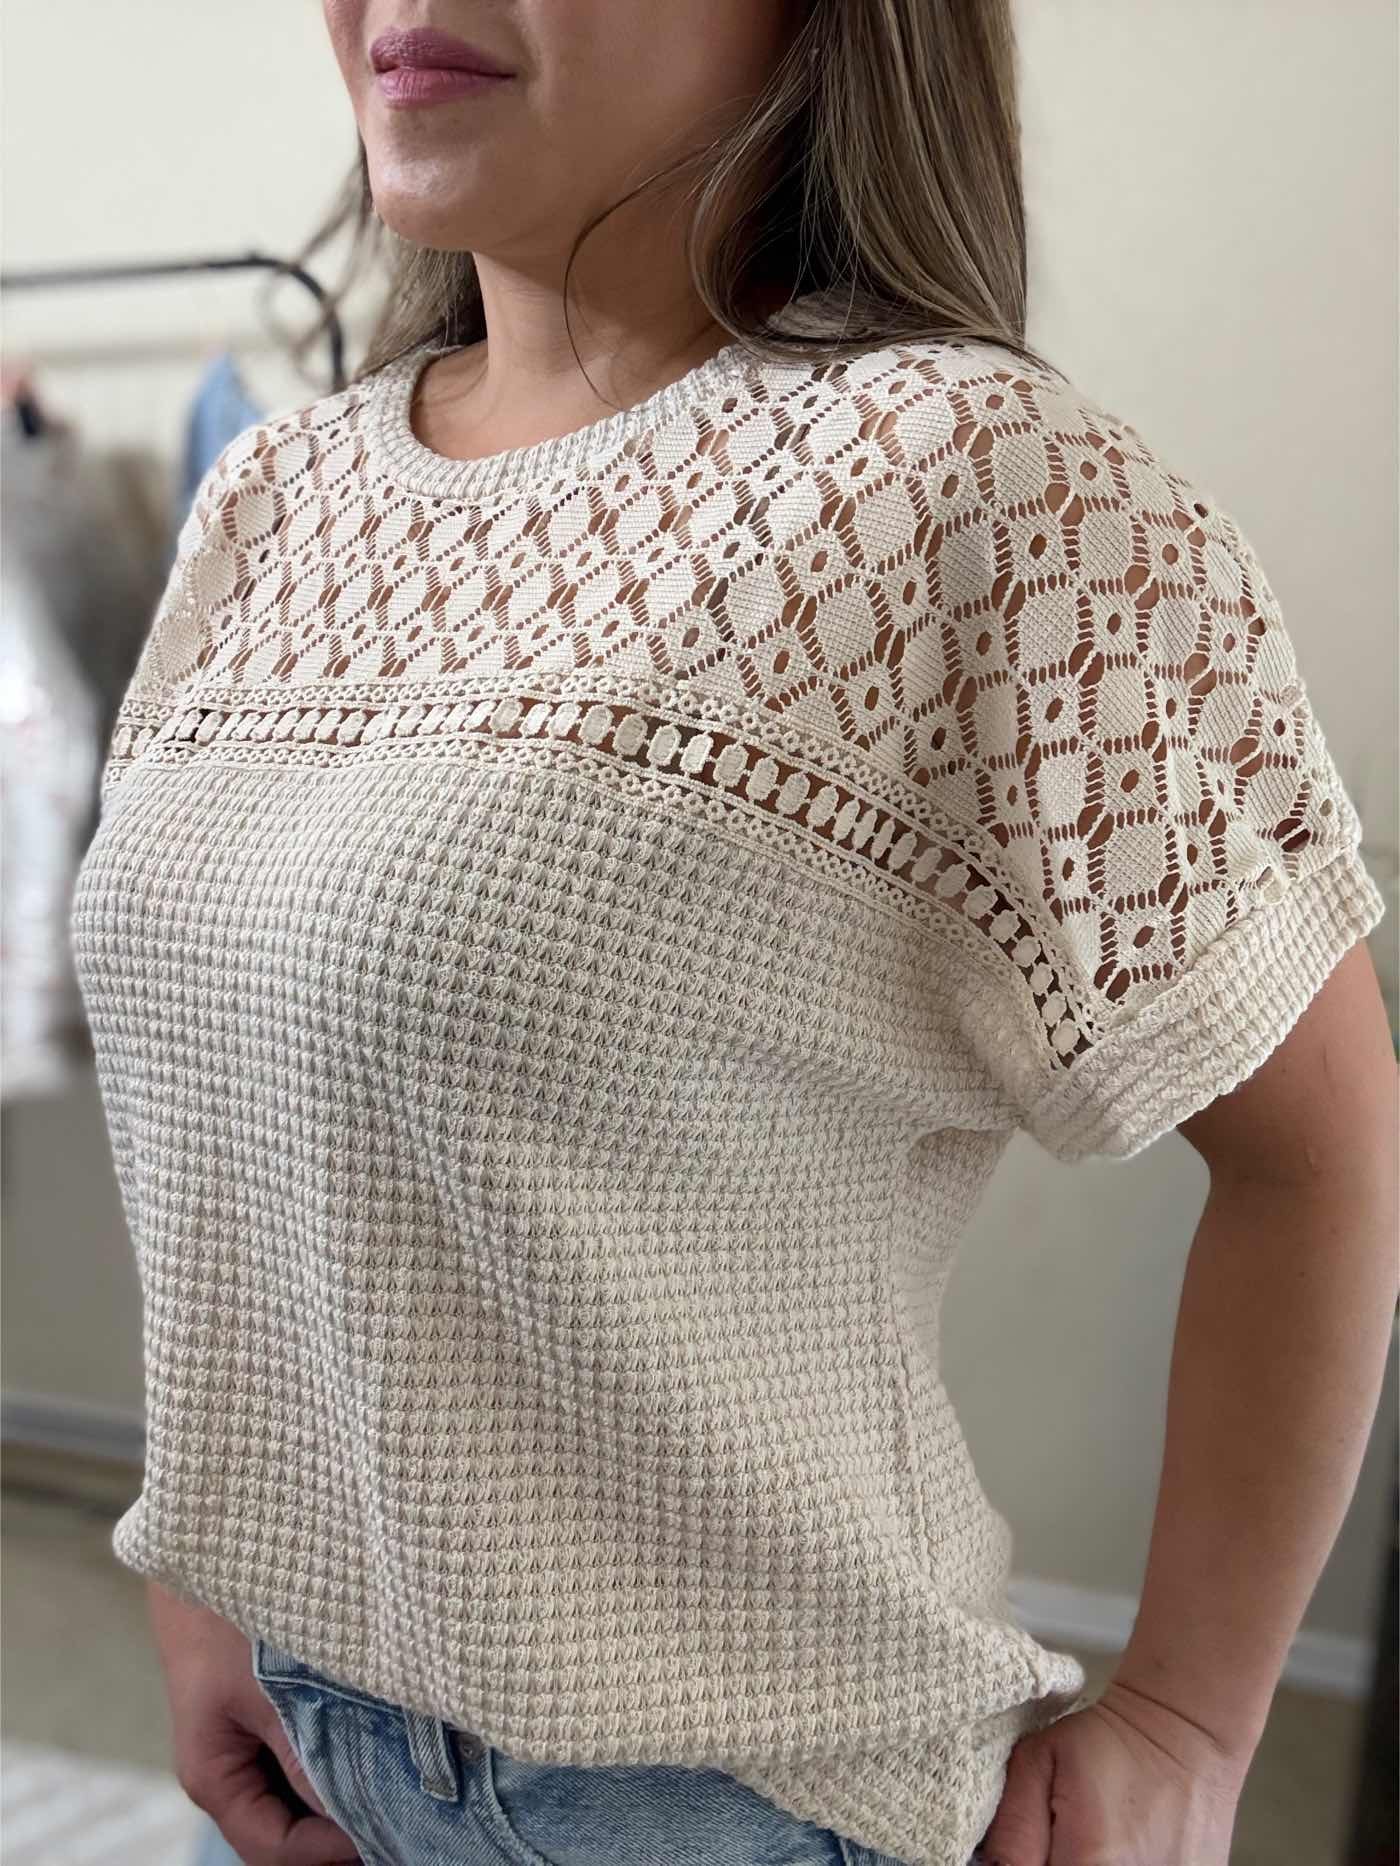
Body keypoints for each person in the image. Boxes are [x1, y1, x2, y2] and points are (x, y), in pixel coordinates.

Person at [69, 3, 1398, 1865]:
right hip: (306, 1741)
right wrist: (211, 1573)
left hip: (727, 1804)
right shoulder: (276, 497)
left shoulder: (974, 482)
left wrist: (1186, 1720)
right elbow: (231, 1117)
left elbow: (1318, 1153)